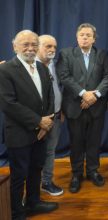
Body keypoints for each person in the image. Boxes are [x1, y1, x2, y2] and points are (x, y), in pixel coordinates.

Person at [0, 30, 58, 220]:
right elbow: (8, 103)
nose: (31, 48)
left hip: (41, 133)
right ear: (14, 46)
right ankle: (17, 212)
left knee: (36, 170)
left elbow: (49, 96)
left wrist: (46, 124)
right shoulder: (5, 70)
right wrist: (37, 121)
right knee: (19, 176)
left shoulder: (42, 68)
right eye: (25, 44)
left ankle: (34, 203)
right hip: (19, 133)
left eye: (34, 44)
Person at [56, 23, 108, 193]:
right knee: (76, 142)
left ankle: (93, 171)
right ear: (77, 37)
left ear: (94, 38)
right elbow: (64, 77)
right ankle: (76, 174)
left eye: (88, 35)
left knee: (94, 142)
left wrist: (94, 96)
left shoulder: (102, 54)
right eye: (82, 35)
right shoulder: (66, 54)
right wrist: (83, 93)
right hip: (75, 106)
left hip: (96, 106)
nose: (85, 37)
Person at [36, 35, 64, 196]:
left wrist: (61, 109)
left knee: (50, 151)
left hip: (56, 115)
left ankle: (46, 182)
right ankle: (31, 189)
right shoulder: (30, 66)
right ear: (38, 46)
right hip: (38, 120)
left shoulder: (53, 64)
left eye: (54, 46)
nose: (52, 50)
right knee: (35, 154)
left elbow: (58, 88)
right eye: (48, 46)